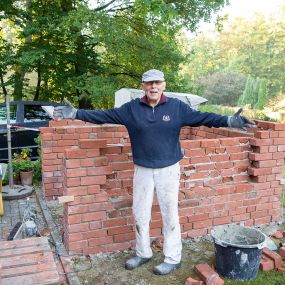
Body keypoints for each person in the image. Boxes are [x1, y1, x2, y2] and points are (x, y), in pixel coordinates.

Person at [53, 69, 256, 275]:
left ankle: (173, 257)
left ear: (164, 85)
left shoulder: (177, 107)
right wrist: (76, 113)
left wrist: (229, 121)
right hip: (142, 169)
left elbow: (203, 117)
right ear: (143, 86)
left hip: (168, 169)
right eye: (149, 83)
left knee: (170, 214)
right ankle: (143, 253)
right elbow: (104, 115)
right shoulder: (132, 109)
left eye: (157, 82)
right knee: (139, 212)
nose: (153, 87)